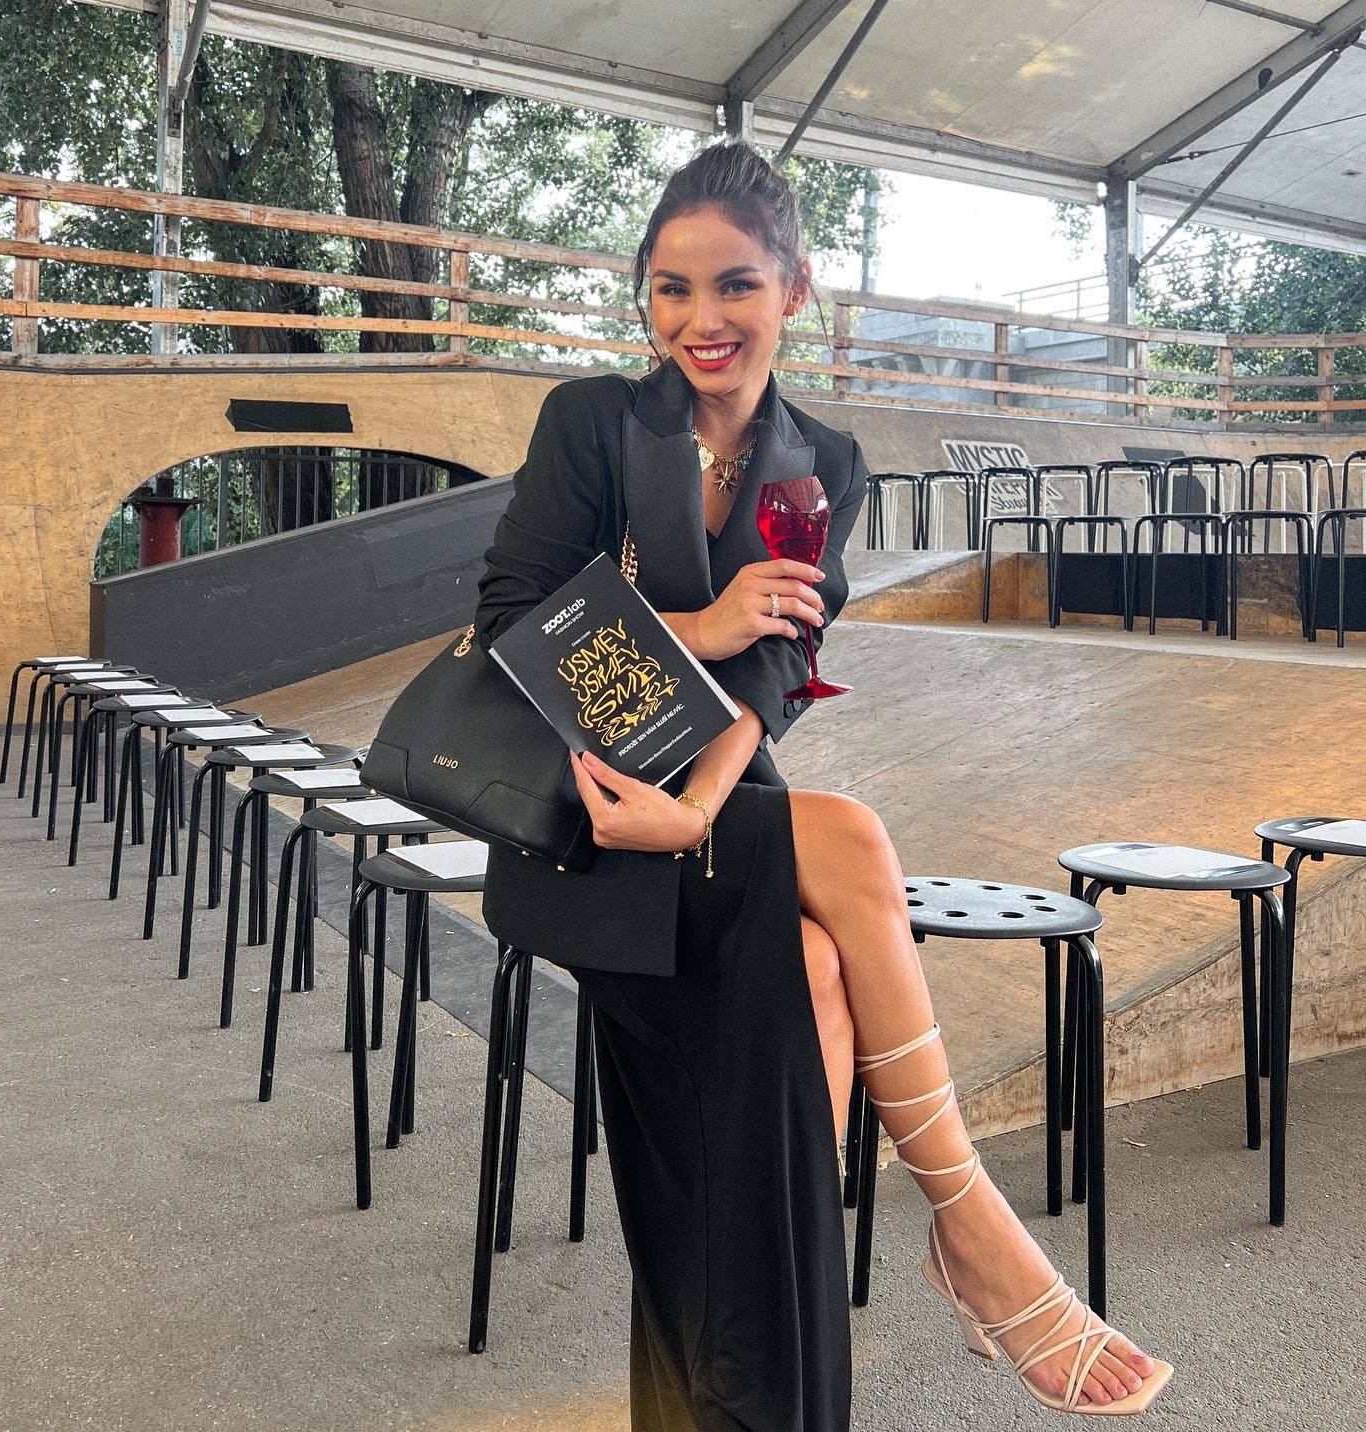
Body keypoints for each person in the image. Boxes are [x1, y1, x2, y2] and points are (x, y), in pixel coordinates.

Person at [476, 142, 1171, 1429]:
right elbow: (519, 629)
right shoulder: (594, 424)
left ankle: (789, 1370)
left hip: (705, 823)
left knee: (812, 977)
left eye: (735, 285)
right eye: (672, 289)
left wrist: (701, 806)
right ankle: (974, 1229)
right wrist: (705, 622)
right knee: (846, 835)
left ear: (796, 289)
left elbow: (777, 672)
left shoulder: (821, 462)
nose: (701, 319)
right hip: (581, 827)